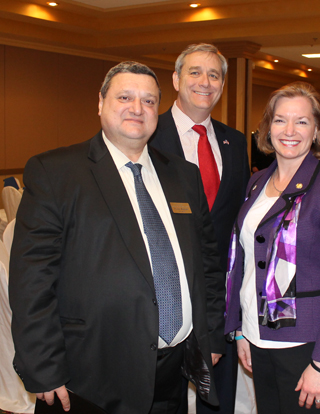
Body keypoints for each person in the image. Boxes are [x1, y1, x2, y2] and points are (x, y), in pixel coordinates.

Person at [9, 61, 226, 414]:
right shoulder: (55, 172)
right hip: (91, 374)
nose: (137, 109)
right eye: (125, 96)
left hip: (174, 368)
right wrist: (44, 367)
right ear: (100, 103)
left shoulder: (183, 176)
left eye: (149, 101)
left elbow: (208, 265)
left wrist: (211, 334)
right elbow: (31, 282)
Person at [225, 81, 320, 414]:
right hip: (258, 337)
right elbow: (245, 262)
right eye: (279, 120)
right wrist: (241, 331)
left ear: (317, 130)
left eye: (301, 121)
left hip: (309, 346)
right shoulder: (257, 182)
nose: (289, 130)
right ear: (267, 128)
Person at [149, 43, 249, 414]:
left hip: (218, 292)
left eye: (214, 75)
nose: (205, 82)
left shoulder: (234, 142)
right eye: (194, 72)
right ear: (175, 79)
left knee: (217, 391)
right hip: (163, 290)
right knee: (163, 393)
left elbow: (238, 216)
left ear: (222, 84)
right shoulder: (148, 132)